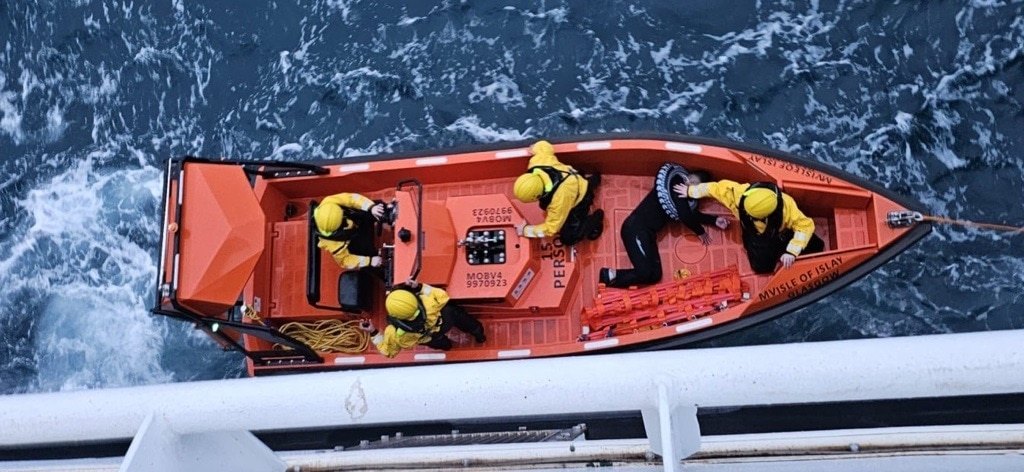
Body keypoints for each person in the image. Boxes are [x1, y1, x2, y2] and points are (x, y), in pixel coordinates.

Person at [599, 163, 728, 288]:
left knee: (655, 275)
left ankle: (614, 278)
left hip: (648, 234)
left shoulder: (688, 198)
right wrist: (701, 232)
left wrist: (714, 220)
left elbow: (691, 213)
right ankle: (609, 275)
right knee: (645, 273)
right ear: (688, 175)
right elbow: (685, 215)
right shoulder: (677, 181)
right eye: (690, 179)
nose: (688, 183)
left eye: (694, 184)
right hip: (635, 229)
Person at [673, 179, 824, 274]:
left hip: (782, 233)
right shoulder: (736, 193)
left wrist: (792, 252)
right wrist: (690, 191)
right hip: (755, 238)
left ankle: (785, 251)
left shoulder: (787, 207)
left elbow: (804, 226)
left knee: (817, 245)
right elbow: (713, 188)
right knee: (762, 268)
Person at [360, 278, 486, 358]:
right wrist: (419, 286)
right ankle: (479, 334)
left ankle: (447, 346)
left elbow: (388, 352)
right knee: (458, 314)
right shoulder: (428, 302)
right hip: (444, 320)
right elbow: (442, 296)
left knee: (441, 344)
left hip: (430, 337)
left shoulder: (394, 333)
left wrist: (373, 332)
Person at [512, 140, 603, 245]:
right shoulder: (538, 162)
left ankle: (596, 219)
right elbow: (544, 146)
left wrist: (525, 230)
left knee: (569, 238)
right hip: (575, 178)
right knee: (583, 184)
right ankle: (593, 181)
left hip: (580, 196)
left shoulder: (558, 201)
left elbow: (551, 229)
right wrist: (535, 147)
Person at [313, 193, 391, 270]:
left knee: (378, 208)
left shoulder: (329, 202)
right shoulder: (333, 244)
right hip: (354, 238)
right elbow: (345, 260)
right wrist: (370, 261)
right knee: (370, 258)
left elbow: (352, 199)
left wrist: (371, 207)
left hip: (357, 220)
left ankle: (390, 213)